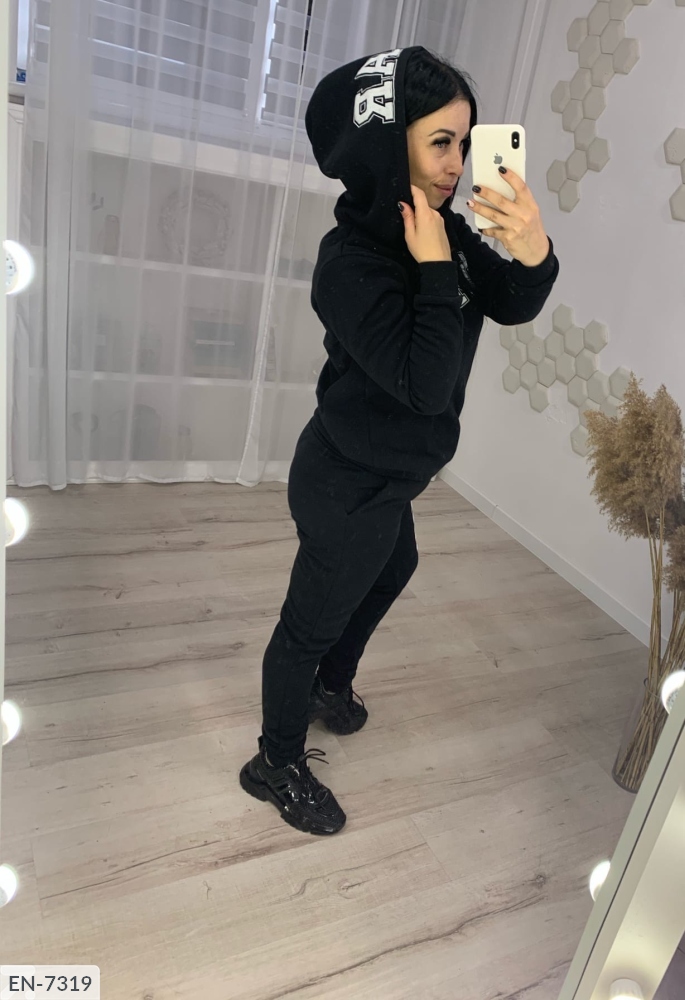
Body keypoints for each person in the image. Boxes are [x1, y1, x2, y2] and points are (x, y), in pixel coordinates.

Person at [240, 46, 559, 836]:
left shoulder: (438, 227)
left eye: (465, 141)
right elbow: (423, 383)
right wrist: (433, 271)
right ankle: (273, 763)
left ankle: (329, 685)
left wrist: (533, 253)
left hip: (392, 473)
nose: (457, 163)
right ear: (388, 146)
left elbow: (508, 302)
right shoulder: (348, 262)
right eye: (439, 141)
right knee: (305, 627)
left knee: (396, 566)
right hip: (345, 479)